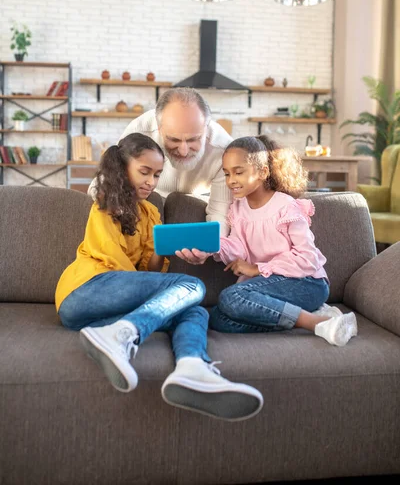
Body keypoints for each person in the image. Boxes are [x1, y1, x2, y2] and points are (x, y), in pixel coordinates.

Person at [57, 132, 263, 421]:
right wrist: (154, 288)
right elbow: (112, 261)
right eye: (144, 172)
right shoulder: (104, 205)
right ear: (122, 168)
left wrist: (165, 251)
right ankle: (122, 334)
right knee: (191, 285)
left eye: (156, 175)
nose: (151, 182)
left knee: (194, 312)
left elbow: (148, 273)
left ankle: (193, 368)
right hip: (85, 290)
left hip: (101, 313)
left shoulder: (152, 212)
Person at [177, 135, 358, 347]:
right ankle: (301, 316)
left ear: (262, 172)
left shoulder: (286, 207)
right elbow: (238, 247)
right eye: (226, 173)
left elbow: (308, 258)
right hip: (269, 290)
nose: (231, 180)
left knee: (231, 297)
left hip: (307, 283)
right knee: (218, 318)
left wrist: (257, 269)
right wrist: (210, 247)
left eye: (238, 172)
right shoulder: (237, 209)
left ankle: (318, 323)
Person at [88, 88, 232, 235]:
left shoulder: (224, 149)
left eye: (193, 139)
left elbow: (220, 213)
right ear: (159, 128)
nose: (183, 151)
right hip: (147, 201)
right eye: (173, 139)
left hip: (196, 207)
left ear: (206, 128)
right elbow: (105, 182)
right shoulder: (140, 130)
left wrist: (210, 246)